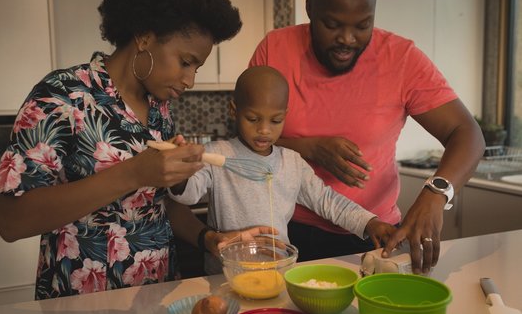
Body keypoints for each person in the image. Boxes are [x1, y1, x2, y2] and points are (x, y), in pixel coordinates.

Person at [0, 0, 275, 300]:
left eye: (197, 67)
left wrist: (209, 238)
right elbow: (11, 221)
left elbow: (157, 203)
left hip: (159, 296)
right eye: (185, 61)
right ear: (144, 36)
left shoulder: (159, 109)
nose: (190, 80)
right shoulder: (63, 95)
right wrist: (134, 172)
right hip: (83, 303)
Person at [249, 0, 485, 274]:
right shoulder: (274, 50)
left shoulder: (402, 59)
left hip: (374, 234)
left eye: (363, 25)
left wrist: (436, 194)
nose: (347, 39)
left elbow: (468, 134)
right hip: (286, 230)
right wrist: (309, 148)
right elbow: (243, 144)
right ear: (310, 8)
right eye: (332, 24)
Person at [168, 66, 396, 274]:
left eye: (275, 121)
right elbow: (187, 195)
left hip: (277, 272)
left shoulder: (292, 163)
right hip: (227, 275)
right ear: (233, 110)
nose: (264, 130)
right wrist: (181, 171)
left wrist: (369, 222)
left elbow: (328, 201)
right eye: (253, 118)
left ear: (285, 116)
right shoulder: (216, 155)